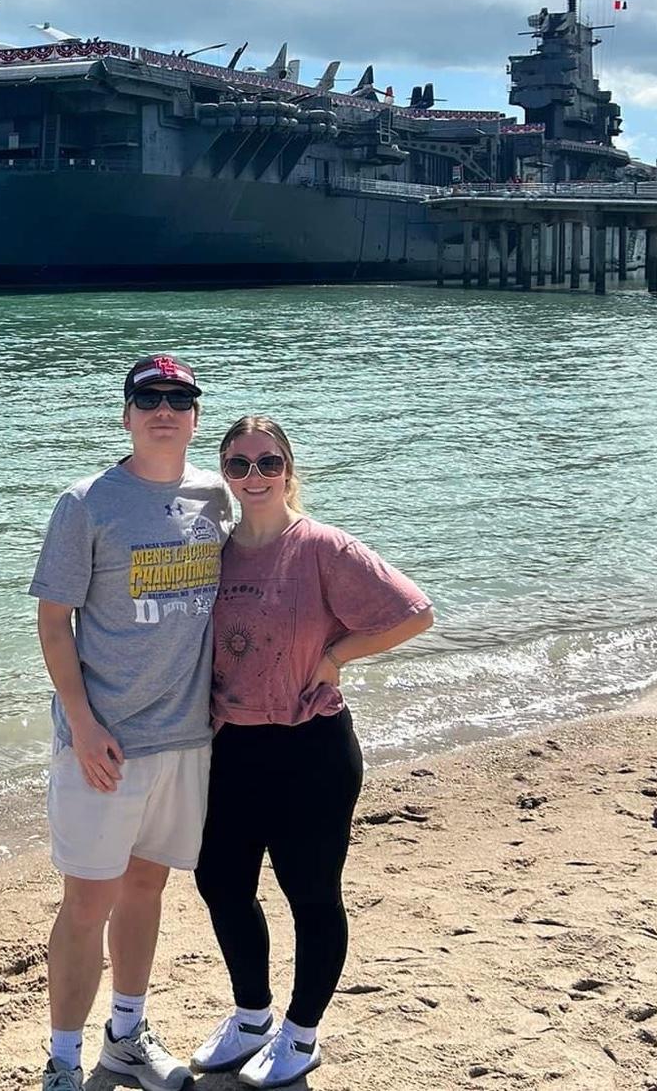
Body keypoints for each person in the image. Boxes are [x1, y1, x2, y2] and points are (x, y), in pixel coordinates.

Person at [191, 416, 434, 1088]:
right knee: (221, 883)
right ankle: (251, 1016)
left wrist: (335, 656)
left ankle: (301, 1032)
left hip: (312, 749)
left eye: (267, 463)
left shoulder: (321, 545)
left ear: (289, 470)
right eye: (237, 466)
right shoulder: (215, 550)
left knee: (310, 894)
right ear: (226, 477)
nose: (254, 476)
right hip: (231, 745)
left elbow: (414, 612)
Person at [30, 355, 233, 1091]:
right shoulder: (86, 502)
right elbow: (54, 624)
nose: (164, 408)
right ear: (125, 415)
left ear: (195, 417)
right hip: (104, 745)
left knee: (147, 888)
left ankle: (126, 1035)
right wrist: (81, 724)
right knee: (87, 900)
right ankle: (61, 1060)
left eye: (180, 398)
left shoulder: (216, 495)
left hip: (187, 739)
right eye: (148, 397)